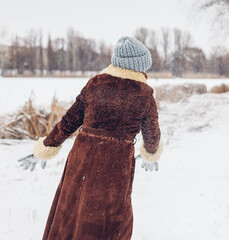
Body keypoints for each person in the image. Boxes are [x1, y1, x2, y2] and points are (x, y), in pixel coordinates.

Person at [19, 36, 163, 239]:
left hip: (82, 156)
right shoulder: (145, 93)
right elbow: (152, 133)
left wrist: (46, 146)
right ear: (140, 64)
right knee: (109, 216)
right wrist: (151, 153)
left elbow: (69, 120)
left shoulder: (95, 83)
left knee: (71, 208)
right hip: (115, 163)